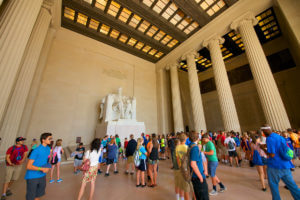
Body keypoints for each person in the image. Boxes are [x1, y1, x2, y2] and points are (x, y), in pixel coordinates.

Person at [261, 124, 300, 200]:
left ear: (265, 130)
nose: (262, 133)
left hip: (274, 166)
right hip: (285, 165)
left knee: (274, 186)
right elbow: (278, 145)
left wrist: (263, 149)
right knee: (292, 186)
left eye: (263, 131)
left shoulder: (269, 138)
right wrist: (265, 145)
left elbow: (272, 154)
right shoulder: (278, 136)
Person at [25, 133, 52, 200]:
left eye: (51, 138)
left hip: (42, 176)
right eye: (49, 139)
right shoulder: (36, 150)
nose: (51, 140)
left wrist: (47, 166)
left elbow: (47, 159)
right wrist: (42, 169)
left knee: (38, 194)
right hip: (33, 176)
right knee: (31, 196)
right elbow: (28, 166)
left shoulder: (48, 148)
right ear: (43, 140)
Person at [189, 132, 209, 200]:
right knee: (203, 197)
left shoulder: (190, 145)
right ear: (198, 138)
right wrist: (200, 177)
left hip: (195, 176)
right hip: (197, 176)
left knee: (198, 196)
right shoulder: (195, 148)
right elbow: (193, 164)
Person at [175, 133, 190, 200]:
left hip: (180, 167)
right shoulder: (186, 147)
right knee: (185, 185)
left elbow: (177, 158)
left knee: (179, 183)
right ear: (185, 139)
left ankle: (179, 198)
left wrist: (180, 166)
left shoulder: (177, 147)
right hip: (186, 167)